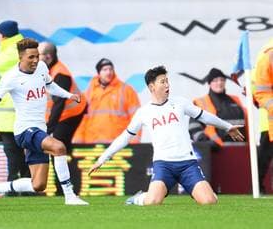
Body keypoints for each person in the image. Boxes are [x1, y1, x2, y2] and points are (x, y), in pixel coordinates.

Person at [88, 66, 244, 205]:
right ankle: (138, 198)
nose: (167, 85)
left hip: (187, 163)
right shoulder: (144, 112)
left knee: (209, 202)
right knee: (152, 202)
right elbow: (125, 137)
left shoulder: (180, 103)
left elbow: (204, 116)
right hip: (163, 165)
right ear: (151, 87)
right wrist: (103, 158)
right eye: (162, 82)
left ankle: (204, 192)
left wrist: (228, 127)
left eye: (167, 81)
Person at [0, 38, 88, 205]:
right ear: (21, 57)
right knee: (59, 147)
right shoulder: (11, 77)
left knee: (38, 185)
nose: (36, 60)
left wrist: (68, 95)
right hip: (25, 131)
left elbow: (50, 86)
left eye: (37, 56)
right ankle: (70, 196)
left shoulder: (42, 68)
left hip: (39, 130)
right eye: (31, 57)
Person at [0, 20, 30, 184]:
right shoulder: (21, 49)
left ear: (3, 35)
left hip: (8, 110)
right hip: (17, 108)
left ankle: (13, 182)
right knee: (17, 149)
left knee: (12, 149)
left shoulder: (12, 51)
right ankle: (24, 182)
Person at [73, 58, 140, 144]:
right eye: (105, 70)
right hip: (92, 144)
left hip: (117, 144)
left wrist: (134, 142)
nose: (108, 72)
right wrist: (78, 140)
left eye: (110, 69)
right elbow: (81, 120)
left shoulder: (126, 90)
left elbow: (137, 118)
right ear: (99, 73)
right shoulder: (88, 93)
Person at [38, 42, 86, 153]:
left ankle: (64, 168)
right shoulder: (45, 69)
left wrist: (48, 129)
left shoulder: (61, 75)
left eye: (38, 55)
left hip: (71, 113)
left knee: (57, 145)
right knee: (57, 146)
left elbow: (58, 105)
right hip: (59, 113)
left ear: (48, 57)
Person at [190, 68, 247, 149]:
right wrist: (203, 141)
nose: (219, 83)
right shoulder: (201, 102)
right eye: (215, 80)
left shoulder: (235, 99)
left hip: (241, 149)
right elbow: (193, 126)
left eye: (222, 80)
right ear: (209, 83)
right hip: (216, 150)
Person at [253, 39, 273, 193]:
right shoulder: (268, 54)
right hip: (269, 120)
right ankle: (256, 187)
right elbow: (260, 90)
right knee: (264, 158)